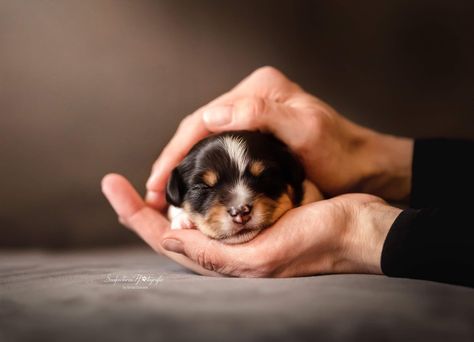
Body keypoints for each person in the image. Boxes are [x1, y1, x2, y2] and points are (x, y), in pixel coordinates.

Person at [102, 66, 473, 286]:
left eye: (263, 179)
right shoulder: (179, 198)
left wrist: (358, 231)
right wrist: (360, 155)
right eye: (205, 189)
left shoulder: (306, 187)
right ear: (177, 192)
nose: (240, 207)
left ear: (293, 178)